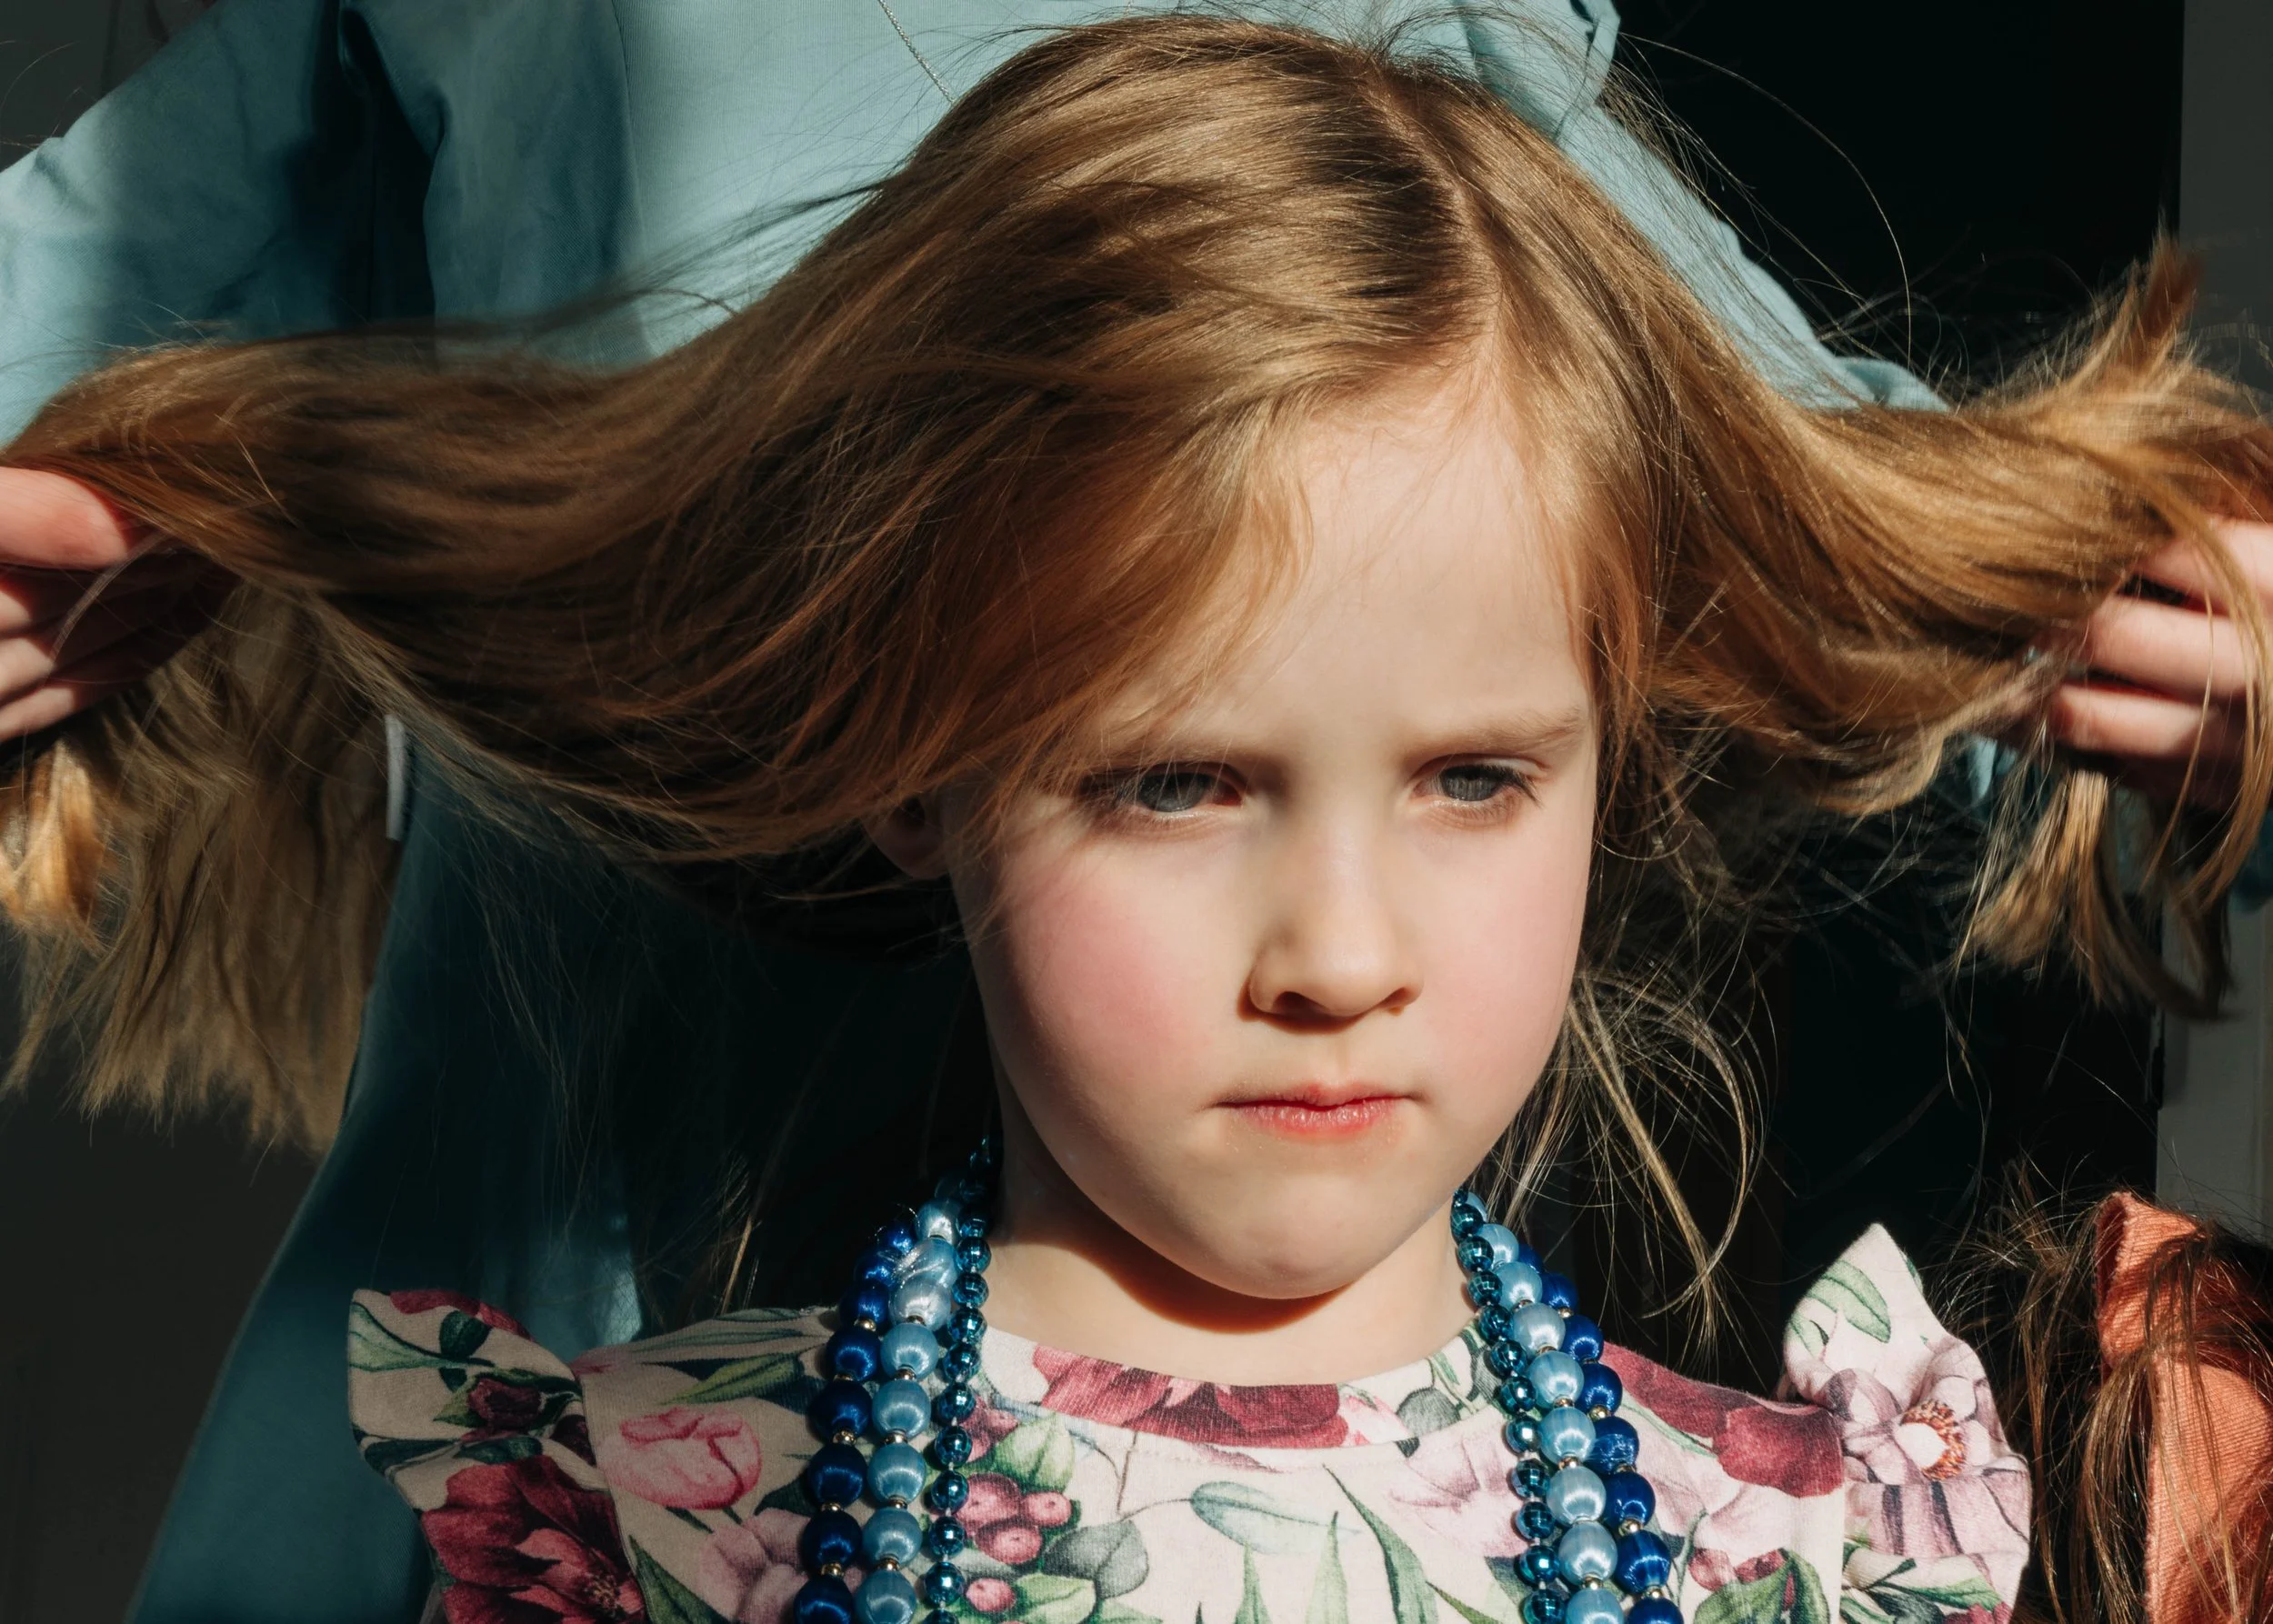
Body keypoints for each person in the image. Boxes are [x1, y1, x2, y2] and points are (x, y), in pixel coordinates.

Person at [9, 14, 2271, 1619]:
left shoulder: (1823, 1539)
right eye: (1180, 779)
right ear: (917, 755)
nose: (1338, 947)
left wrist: (2069, 580)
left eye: (1477, 775)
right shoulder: (633, 1517)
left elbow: (1625, 413)